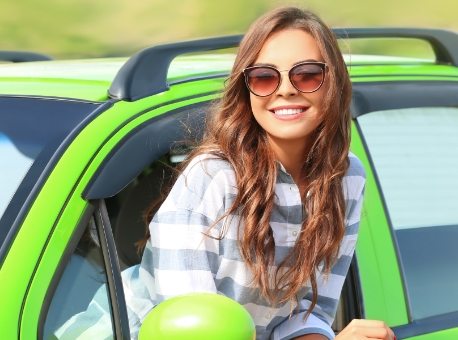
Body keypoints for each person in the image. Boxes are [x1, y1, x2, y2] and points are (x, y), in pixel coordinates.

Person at [56, 6, 395, 340]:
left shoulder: (347, 177)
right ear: (246, 89)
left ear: (333, 82)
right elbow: (195, 335)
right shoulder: (212, 178)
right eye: (264, 76)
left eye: (307, 73)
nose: (286, 89)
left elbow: (309, 312)